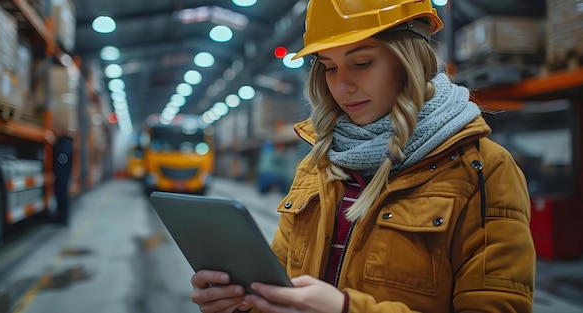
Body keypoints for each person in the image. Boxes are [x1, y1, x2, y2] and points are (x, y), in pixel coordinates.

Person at [190, 0, 536, 312]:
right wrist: (240, 302)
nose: (341, 86)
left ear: (409, 60)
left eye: (361, 62)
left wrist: (345, 309)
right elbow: (280, 286)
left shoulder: (482, 169)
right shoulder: (318, 165)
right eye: (328, 67)